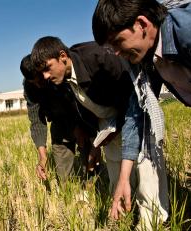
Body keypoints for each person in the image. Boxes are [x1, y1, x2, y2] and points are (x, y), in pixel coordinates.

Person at [30, 37, 164, 229]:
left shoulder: (99, 59)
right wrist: (97, 141)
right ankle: (125, 213)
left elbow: (132, 100)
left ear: (62, 56)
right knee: (116, 173)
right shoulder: (61, 80)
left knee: (145, 170)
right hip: (108, 123)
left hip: (136, 114)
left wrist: (116, 131)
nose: (44, 76)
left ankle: (152, 222)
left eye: (47, 68)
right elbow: (85, 111)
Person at [92, 0, 191, 225]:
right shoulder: (144, 59)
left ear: (142, 24)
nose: (115, 53)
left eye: (117, 42)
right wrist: (124, 178)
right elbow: (137, 115)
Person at [20, 54, 100, 183]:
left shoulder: (59, 75)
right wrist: (42, 156)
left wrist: (80, 126)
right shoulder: (30, 87)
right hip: (59, 123)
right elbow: (37, 120)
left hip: (83, 119)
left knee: (91, 169)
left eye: (40, 80)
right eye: (34, 82)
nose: (39, 85)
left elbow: (80, 103)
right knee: (63, 178)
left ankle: (91, 190)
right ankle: (68, 195)